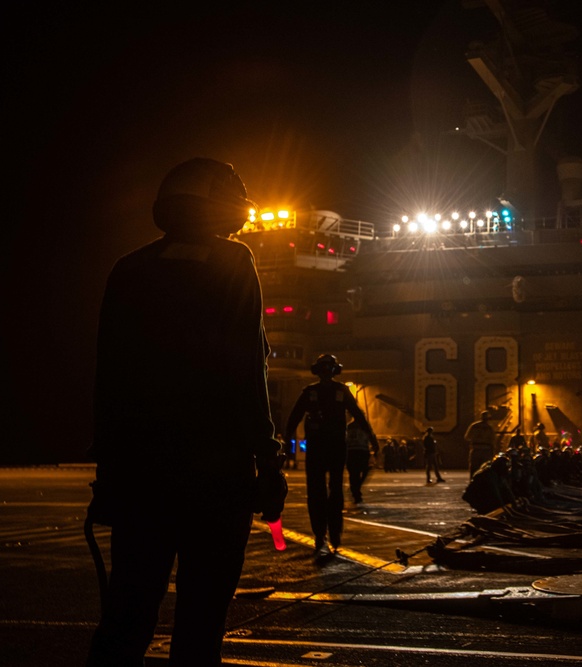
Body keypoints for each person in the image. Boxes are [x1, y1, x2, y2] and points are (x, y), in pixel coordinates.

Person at [85, 158, 286, 666]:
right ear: (223, 206)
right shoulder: (233, 262)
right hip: (216, 478)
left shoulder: (129, 268)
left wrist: (109, 475)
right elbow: (247, 370)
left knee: (126, 617)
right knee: (200, 626)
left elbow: (109, 380)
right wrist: (268, 462)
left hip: (140, 475)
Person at [284, 353, 378, 556]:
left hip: (323, 447)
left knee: (320, 491)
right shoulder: (338, 391)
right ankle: (331, 533)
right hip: (332, 447)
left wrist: (285, 440)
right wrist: (372, 438)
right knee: (333, 490)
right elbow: (359, 415)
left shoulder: (314, 392)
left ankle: (323, 533)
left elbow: (294, 418)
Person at [346, 417, 378, 504]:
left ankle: (355, 489)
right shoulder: (365, 426)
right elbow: (371, 436)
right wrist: (375, 447)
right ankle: (356, 489)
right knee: (365, 470)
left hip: (351, 452)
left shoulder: (349, 426)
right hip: (362, 451)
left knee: (353, 474)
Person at [465, 410, 496, 480]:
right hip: (486, 450)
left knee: (474, 467)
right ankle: (484, 481)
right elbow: (492, 440)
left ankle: (473, 480)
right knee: (485, 467)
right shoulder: (489, 428)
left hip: (475, 448)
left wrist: (475, 439)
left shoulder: (474, 426)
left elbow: (467, 437)